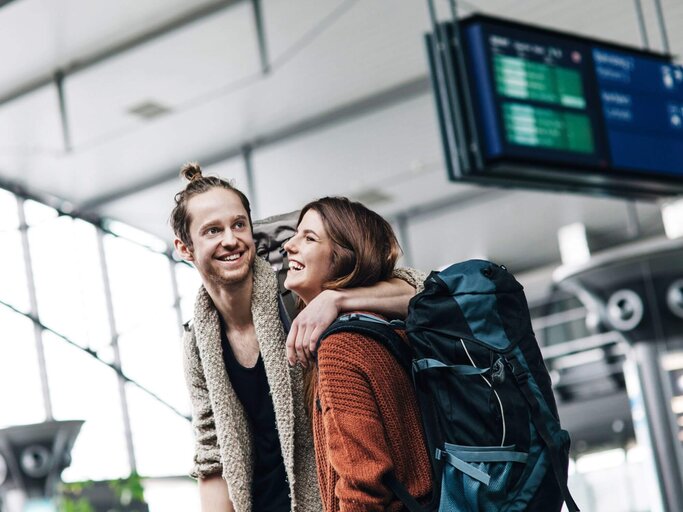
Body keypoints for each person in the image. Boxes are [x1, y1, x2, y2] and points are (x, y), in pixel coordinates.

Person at [171, 164, 425, 512]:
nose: (230, 239)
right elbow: (212, 454)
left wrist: (336, 298)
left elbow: (424, 292)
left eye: (239, 224)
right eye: (212, 231)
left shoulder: (294, 291)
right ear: (185, 249)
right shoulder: (199, 342)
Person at [283, 197, 433, 512]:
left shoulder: (342, 347)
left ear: (343, 260)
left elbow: (361, 486)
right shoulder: (395, 332)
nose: (289, 246)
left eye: (309, 238)